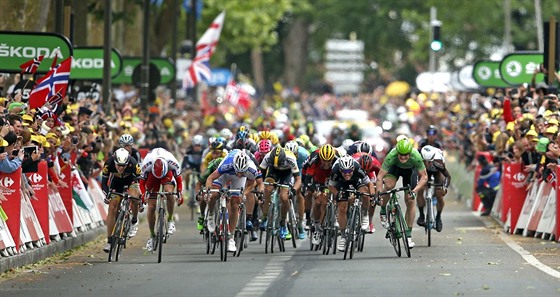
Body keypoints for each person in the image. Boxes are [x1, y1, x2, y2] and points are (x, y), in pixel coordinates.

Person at [204, 150, 262, 252]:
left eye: (242, 172)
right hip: (225, 174)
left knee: (235, 204)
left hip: (238, 181)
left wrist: (243, 194)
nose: (239, 174)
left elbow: (251, 185)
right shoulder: (227, 165)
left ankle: (231, 237)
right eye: (238, 171)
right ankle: (211, 215)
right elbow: (210, 178)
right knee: (213, 195)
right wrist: (208, 193)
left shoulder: (252, 170)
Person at [376, 137, 428, 248]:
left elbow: (424, 177)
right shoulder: (392, 155)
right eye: (401, 155)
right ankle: (383, 211)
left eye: (406, 155)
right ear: (397, 152)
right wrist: (379, 193)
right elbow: (380, 176)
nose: (403, 157)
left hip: (410, 172)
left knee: (410, 200)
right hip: (394, 169)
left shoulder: (416, 156)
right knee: (389, 186)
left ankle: (408, 236)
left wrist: (415, 191)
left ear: (410, 153)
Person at [139, 147, 184, 252]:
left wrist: (179, 194)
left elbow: (179, 180)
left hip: (167, 174)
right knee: (151, 207)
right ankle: (152, 236)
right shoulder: (147, 164)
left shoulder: (172, 163)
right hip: (152, 176)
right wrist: (143, 195)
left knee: (169, 192)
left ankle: (170, 219)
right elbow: (142, 183)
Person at [100, 148, 142, 253]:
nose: (121, 168)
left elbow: (140, 181)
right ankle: (109, 241)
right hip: (116, 183)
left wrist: (138, 196)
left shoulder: (133, 163)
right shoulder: (109, 163)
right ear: (114, 162)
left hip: (131, 181)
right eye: (118, 165)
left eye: (123, 166)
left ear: (128, 162)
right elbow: (104, 183)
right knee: (112, 207)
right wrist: (107, 195)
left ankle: (134, 220)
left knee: (134, 197)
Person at [328, 155, 371, 251]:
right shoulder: (335, 171)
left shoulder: (357, 168)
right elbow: (331, 187)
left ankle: (364, 215)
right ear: (340, 170)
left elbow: (369, 184)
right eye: (344, 172)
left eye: (349, 171)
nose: (347, 174)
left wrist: (372, 196)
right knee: (342, 208)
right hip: (341, 183)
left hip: (356, 181)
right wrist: (337, 194)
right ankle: (343, 236)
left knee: (365, 194)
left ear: (353, 168)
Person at [259, 147, 301, 240]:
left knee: (284, 197)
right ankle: (265, 216)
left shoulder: (291, 159)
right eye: (275, 164)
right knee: (267, 189)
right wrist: (261, 187)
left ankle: (283, 223)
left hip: (287, 173)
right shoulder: (267, 157)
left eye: (279, 164)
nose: (277, 166)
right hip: (273, 171)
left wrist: (294, 190)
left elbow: (298, 179)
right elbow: (259, 175)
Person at [301, 144, 339, 245]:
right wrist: (314, 190)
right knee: (318, 201)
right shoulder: (314, 158)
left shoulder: (337, 160)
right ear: (320, 158)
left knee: (328, 200)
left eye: (329, 161)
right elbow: (307, 179)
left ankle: (334, 216)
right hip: (318, 178)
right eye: (324, 161)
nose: (326, 163)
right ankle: (316, 226)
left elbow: (341, 179)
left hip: (331, 178)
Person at [416, 145, 451, 232]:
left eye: (429, 162)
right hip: (423, 172)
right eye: (425, 161)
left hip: (437, 172)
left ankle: (438, 217)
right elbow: (414, 177)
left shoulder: (438, 162)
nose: (427, 164)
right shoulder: (417, 160)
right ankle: (421, 215)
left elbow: (447, 176)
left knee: (439, 193)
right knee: (419, 190)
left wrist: (444, 188)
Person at [115, 133, 142, 237]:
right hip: (120, 176)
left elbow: (138, 170)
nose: (126, 148)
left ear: (131, 146)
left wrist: (139, 188)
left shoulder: (136, 154)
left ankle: (134, 220)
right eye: (123, 146)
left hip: (132, 175)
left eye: (128, 146)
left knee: (134, 198)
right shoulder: (117, 153)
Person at [284, 140, 310, 239]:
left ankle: (300, 224)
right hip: (287, 170)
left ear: (297, 152)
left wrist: (304, 184)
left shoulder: (304, 154)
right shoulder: (283, 154)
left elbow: (306, 171)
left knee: (299, 194)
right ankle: (284, 222)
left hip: (299, 169)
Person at [353, 152, 381, 233]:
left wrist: (376, 195)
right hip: (356, 172)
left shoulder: (375, 163)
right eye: (364, 169)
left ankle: (369, 221)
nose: (365, 171)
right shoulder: (355, 162)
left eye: (367, 169)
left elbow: (380, 177)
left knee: (373, 195)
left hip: (370, 174)